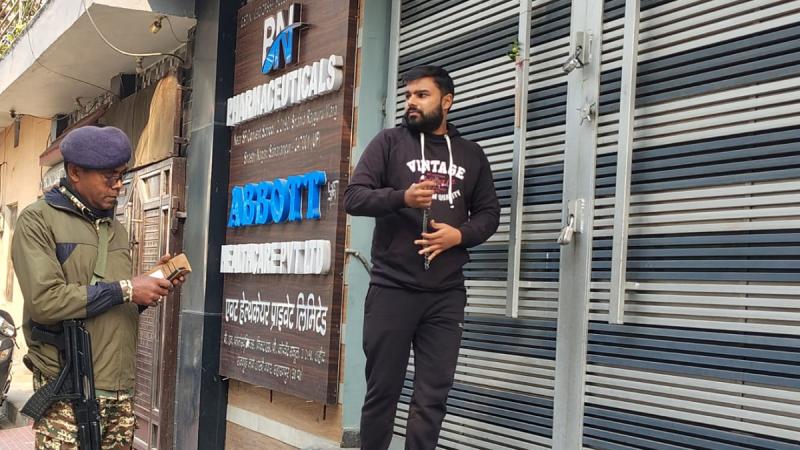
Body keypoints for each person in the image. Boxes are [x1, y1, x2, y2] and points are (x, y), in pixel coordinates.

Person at [344, 65, 500, 450]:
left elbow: (489, 213)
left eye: (421, 95)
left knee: (432, 398)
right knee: (383, 394)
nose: (411, 102)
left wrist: (459, 236)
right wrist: (403, 197)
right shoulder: (389, 143)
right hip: (392, 290)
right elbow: (354, 197)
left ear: (446, 102)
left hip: (446, 294)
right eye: (408, 95)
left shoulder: (471, 154)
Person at [11, 125, 184, 449]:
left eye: (121, 175)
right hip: (69, 393)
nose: (119, 185)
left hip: (119, 392)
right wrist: (127, 289)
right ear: (75, 172)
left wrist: (150, 287)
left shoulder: (115, 229)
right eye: (109, 177)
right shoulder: (37, 220)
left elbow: (110, 305)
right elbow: (45, 301)